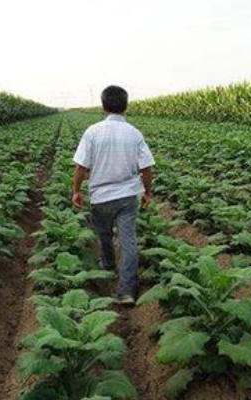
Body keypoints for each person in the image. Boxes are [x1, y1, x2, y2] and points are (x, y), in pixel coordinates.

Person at [72, 85, 155, 305]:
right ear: (126, 106)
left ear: (103, 106)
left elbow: (81, 167)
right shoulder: (134, 133)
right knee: (128, 242)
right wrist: (147, 192)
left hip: (100, 196)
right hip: (127, 196)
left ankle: (108, 264)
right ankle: (126, 290)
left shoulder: (92, 132)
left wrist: (76, 191)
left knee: (104, 234)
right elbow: (146, 168)